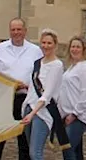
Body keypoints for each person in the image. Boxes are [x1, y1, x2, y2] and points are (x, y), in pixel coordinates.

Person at [0, 18, 43, 160]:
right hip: (4, 98)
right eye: (13, 29)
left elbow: (40, 77)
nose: (16, 32)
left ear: (25, 31)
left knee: (24, 140)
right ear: (9, 31)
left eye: (19, 29)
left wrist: (27, 85)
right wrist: (11, 85)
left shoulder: (35, 51)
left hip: (26, 99)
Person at [19, 29, 66, 160]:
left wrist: (32, 113)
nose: (45, 46)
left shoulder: (57, 65)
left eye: (49, 43)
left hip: (42, 112)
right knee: (30, 151)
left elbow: (47, 94)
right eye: (43, 42)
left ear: (55, 45)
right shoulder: (38, 63)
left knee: (36, 153)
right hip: (29, 107)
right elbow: (33, 88)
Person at [58, 37, 86, 160]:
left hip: (78, 116)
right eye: (73, 46)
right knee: (76, 152)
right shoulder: (71, 68)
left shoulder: (85, 68)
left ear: (84, 49)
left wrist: (75, 114)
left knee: (68, 149)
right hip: (67, 115)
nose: (74, 49)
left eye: (78, 47)